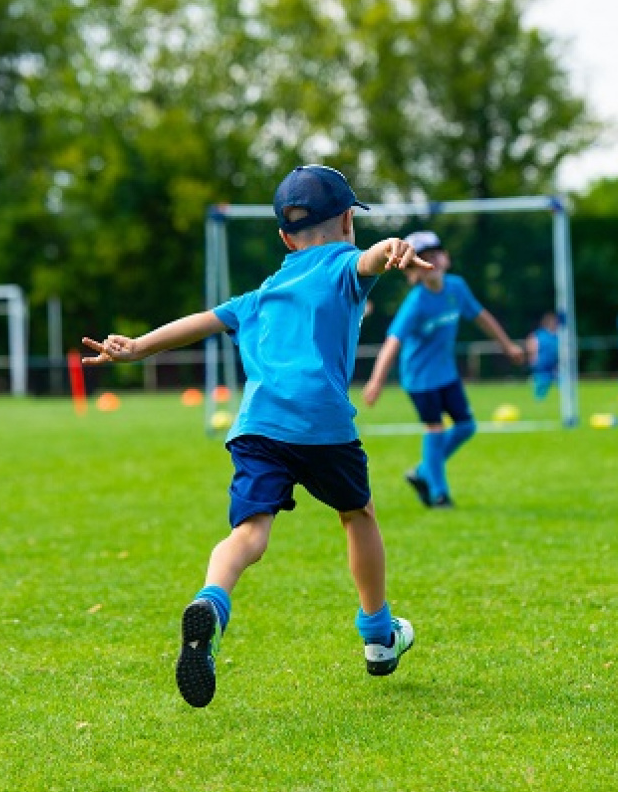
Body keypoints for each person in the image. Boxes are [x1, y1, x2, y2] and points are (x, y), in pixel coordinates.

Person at [82, 165, 432, 708]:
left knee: (249, 532)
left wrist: (138, 347)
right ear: (346, 221)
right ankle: (379, 637)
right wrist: (393, 248)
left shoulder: (261, 294)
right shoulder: (344, 265)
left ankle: (211, 602)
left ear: (284, 238)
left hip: (257, 425)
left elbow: (201, 321)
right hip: (322, 424)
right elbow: (370, 259)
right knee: (356, 514)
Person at [362, 230, 525, 509]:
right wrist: (376, 381)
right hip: (420, 379)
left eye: (436, 254)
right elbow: (393, 342)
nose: (432, 261)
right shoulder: (416, 302)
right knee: (435, 429)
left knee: (466, 426)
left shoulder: (456, 287)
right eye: (423, 258)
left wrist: (508, 346)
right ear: (415, 270)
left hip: (446, 374)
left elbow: (482, 317)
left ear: (446, 258)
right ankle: (439, 495)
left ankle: (424, 472)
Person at [526, 312, 559, 400]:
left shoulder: (557, 335)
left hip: (554, 364)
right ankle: (539, 400)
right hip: (541, 363)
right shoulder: (539, 334)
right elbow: (531, 343)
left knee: (560, 382)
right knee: (542, 383)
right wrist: (532, 356)